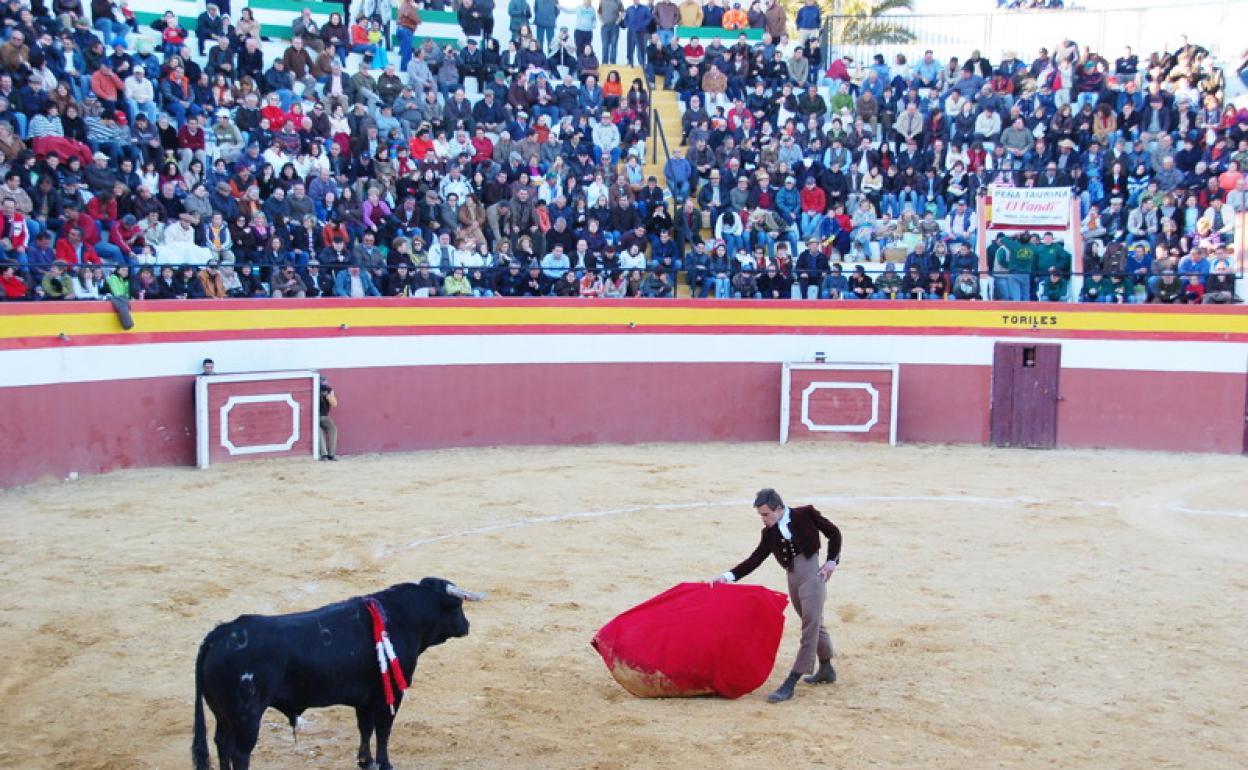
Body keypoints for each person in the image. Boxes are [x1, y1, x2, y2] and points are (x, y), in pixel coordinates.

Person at [711, 488, 841, 703]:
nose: (763, 519)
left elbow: (834, 533)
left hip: (813, 577)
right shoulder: (769, 534)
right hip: (793, 579)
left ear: (779, 508)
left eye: (766, 514)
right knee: (815, 625)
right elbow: (755, 559)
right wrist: (728, 576)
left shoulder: (805, 514)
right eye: (760, 515)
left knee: (809, 627)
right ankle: (827, 669)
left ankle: (791, 681)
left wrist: (831, 560)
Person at [319, 379, 338, 461]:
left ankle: (331, 454)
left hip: (324, 416)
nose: (324, 385)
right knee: (318, 431)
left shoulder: (329, 390)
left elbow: (334, 404)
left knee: (333, 429)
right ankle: (324, 454)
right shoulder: (314, 389)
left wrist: (327, 395)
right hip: (314, 417)